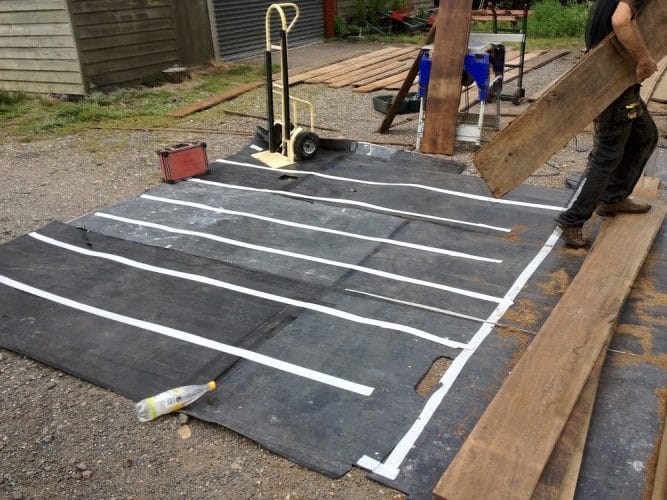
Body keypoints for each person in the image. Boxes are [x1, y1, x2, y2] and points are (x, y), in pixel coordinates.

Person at [555, 0, 658, 248]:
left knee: (645, 136)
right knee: (607, 154)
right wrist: (644, 59)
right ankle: (572, 219)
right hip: (611, 82)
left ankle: (613, 198)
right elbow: (620, 20)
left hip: (618, 79)